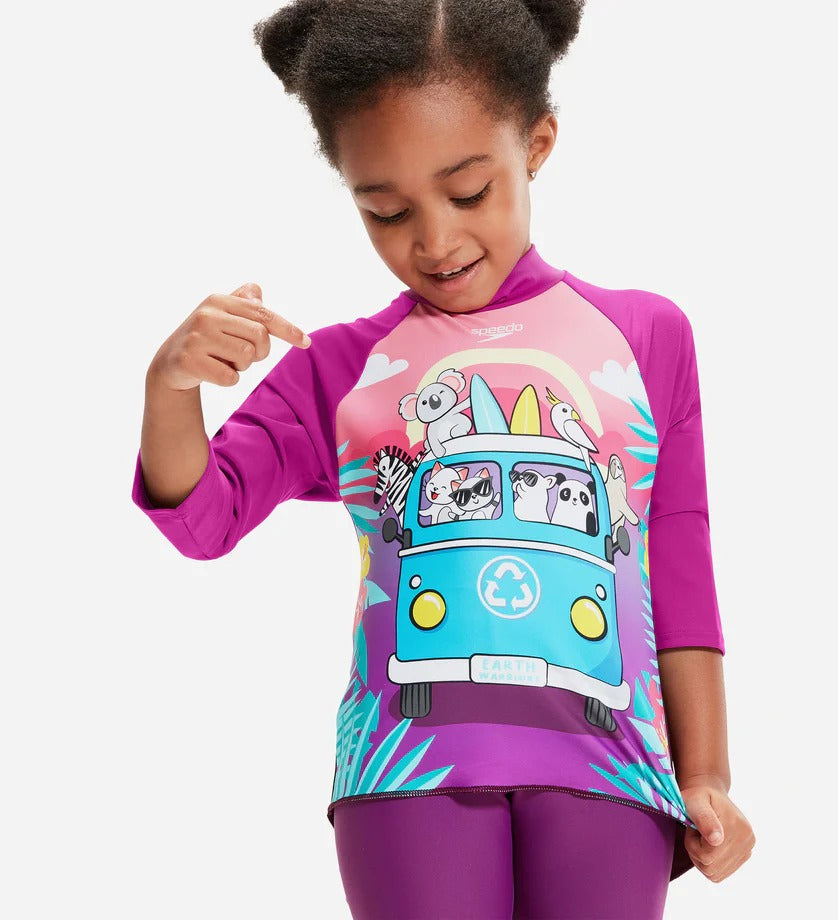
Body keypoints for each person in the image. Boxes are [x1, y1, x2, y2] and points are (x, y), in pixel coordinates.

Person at [131, 1, 756, 916]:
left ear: (536, 144)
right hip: (403, 769)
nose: (433, 241)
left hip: (616, 766)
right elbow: (202, 515)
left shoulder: (645, 334)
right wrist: (171, 387)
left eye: (468, 193)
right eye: (385, 211)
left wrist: (706, 774)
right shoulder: (340, 366)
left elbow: (679, 558)